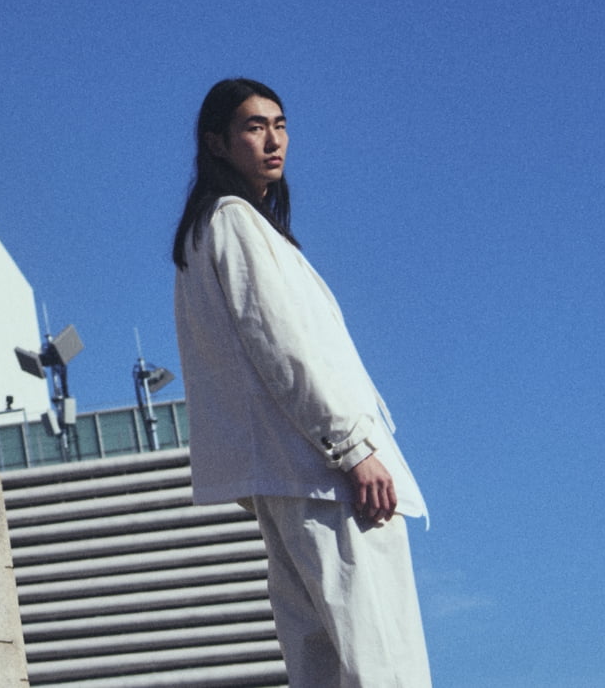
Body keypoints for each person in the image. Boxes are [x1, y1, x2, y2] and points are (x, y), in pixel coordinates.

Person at [173, 78, 432, 688]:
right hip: (325, 474)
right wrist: (352, 448)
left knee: (322, 660)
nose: (273, 140)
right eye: (254, 127)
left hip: (290, 476)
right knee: (379, 659)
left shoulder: (207, 233)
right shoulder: (233, 223)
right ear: (216, 142)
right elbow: (283, 349)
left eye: (280, 124)